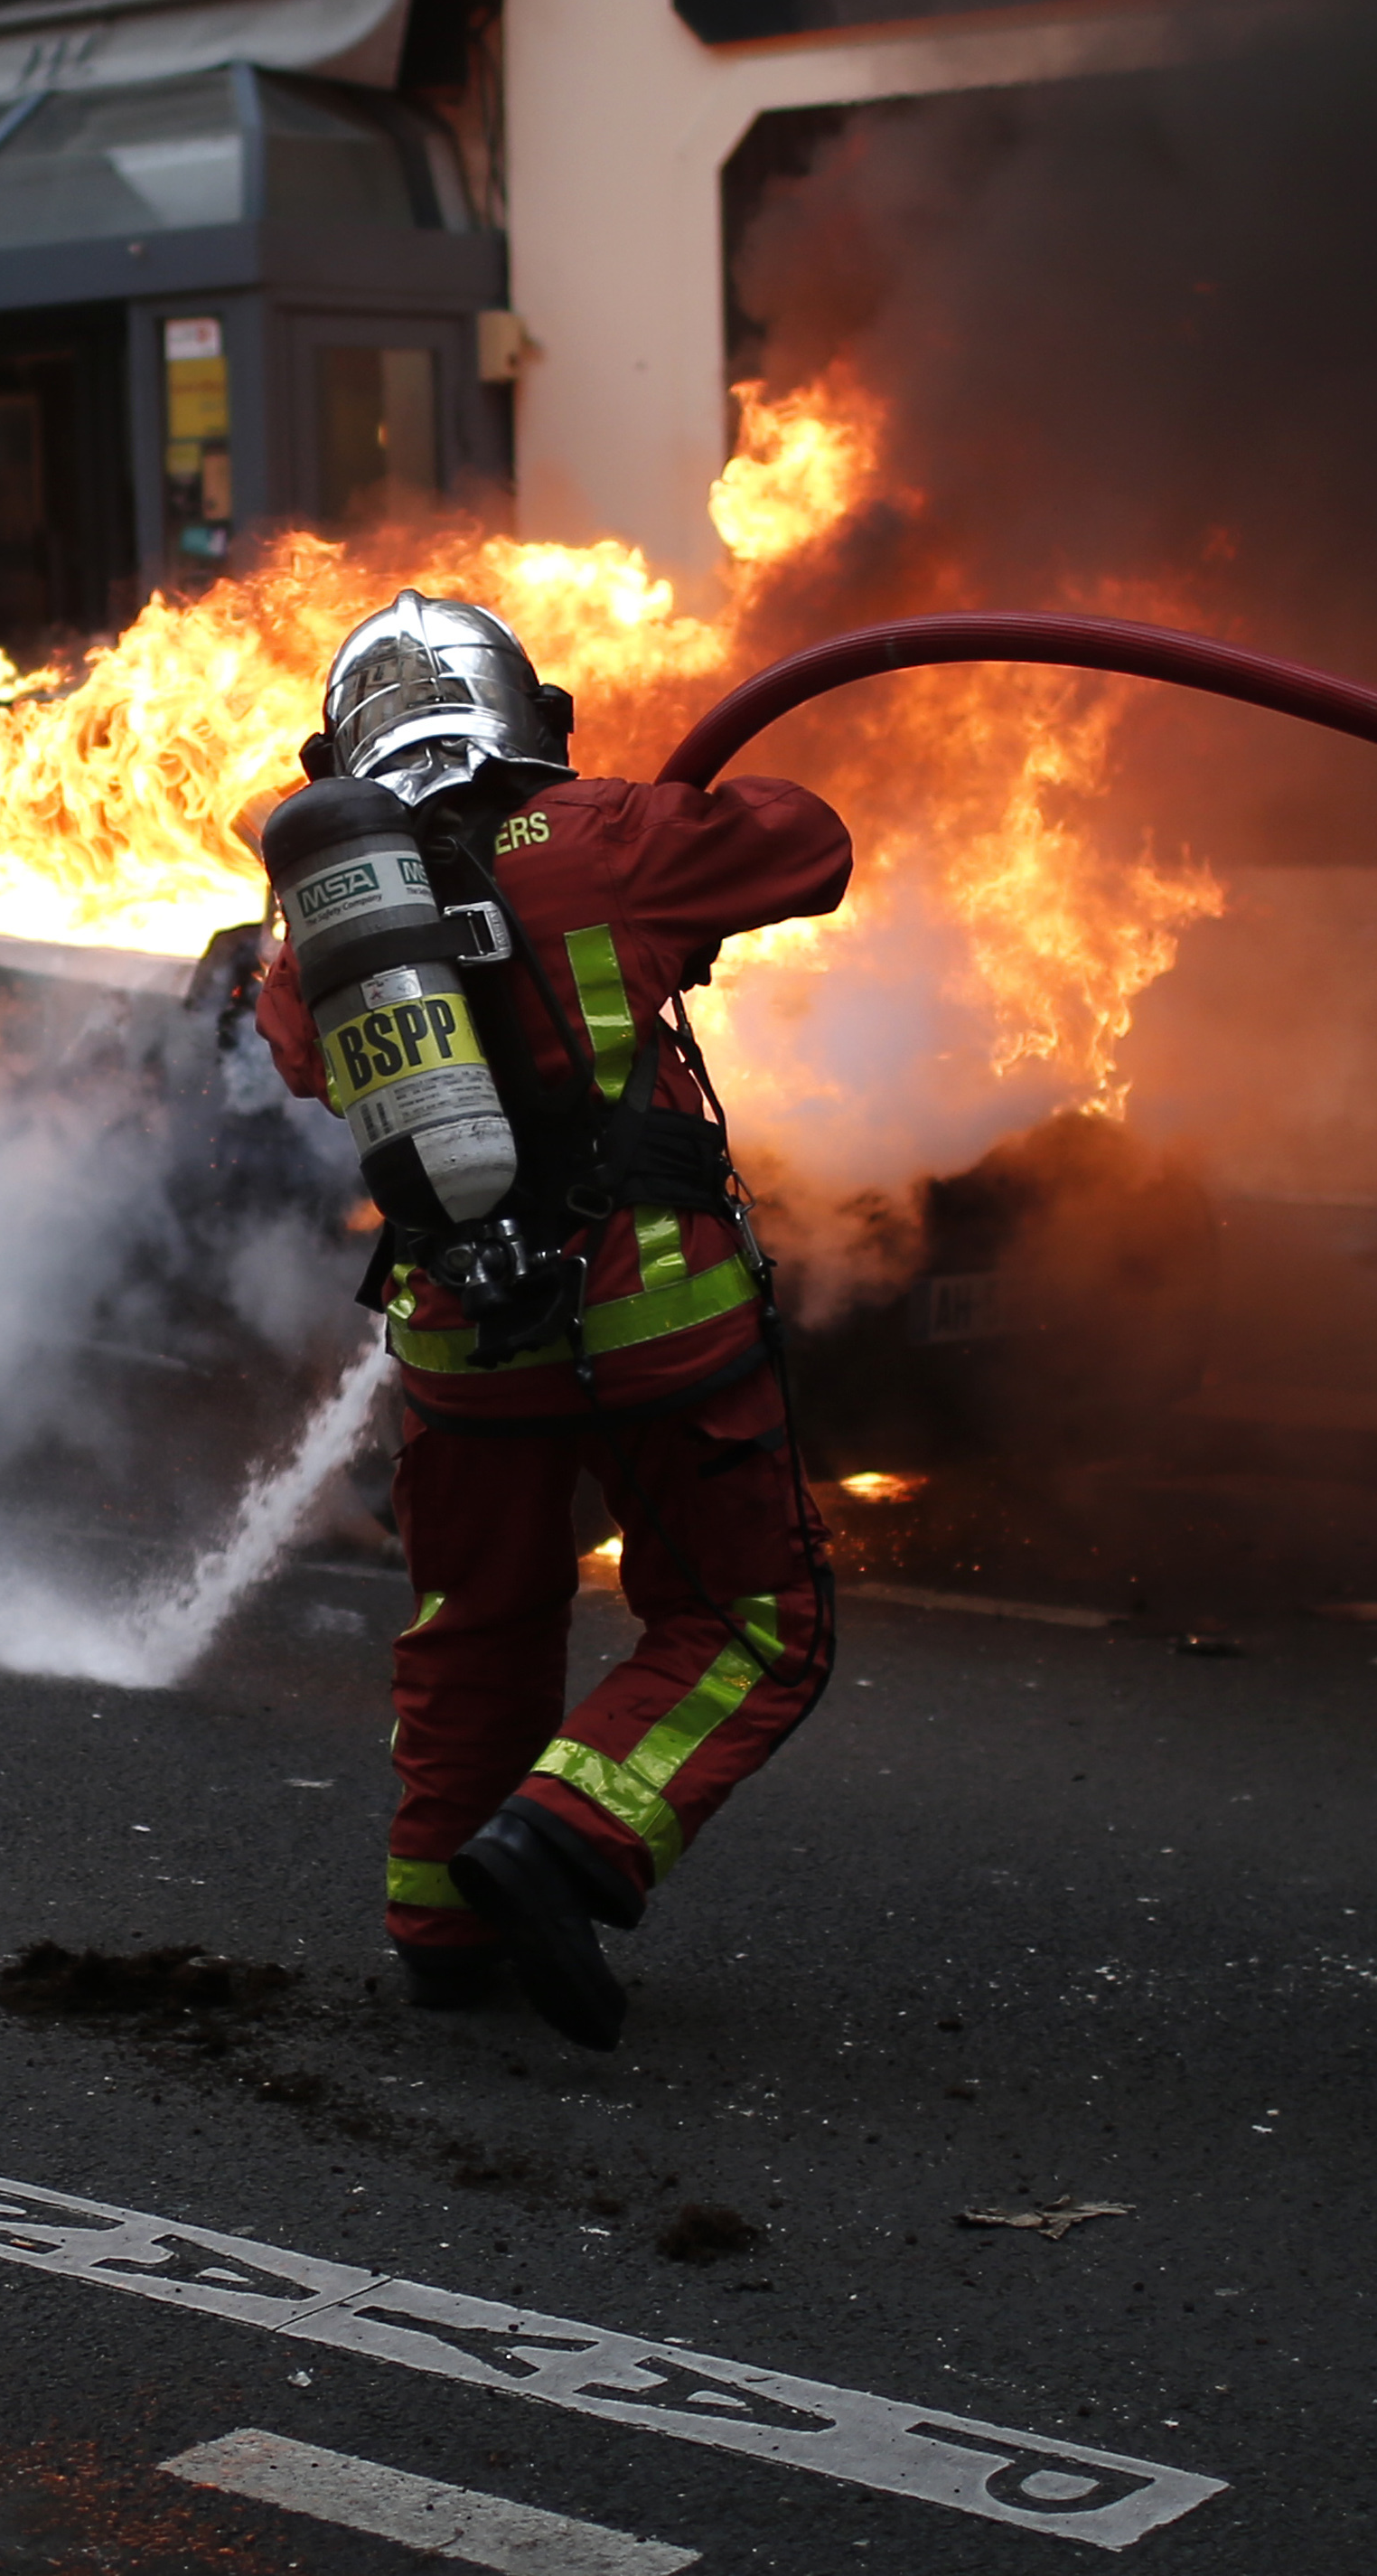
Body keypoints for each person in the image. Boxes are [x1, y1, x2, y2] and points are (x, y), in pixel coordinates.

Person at [254, 593, 853, 2047]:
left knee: (475, 1625)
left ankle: (442, 1932)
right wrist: (643, 830)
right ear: (529, 715)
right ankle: (572, 1833)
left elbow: (299, 1056)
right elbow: (813, 844)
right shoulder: (612, 837)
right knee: (750, 1622)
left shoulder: (322, 935)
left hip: (462, 1344)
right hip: (660, 1317)